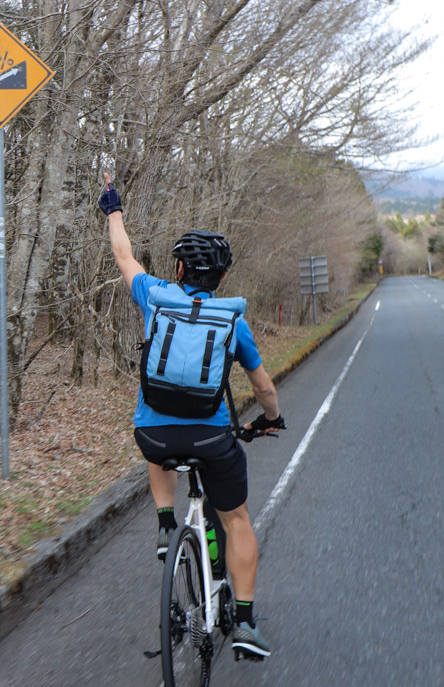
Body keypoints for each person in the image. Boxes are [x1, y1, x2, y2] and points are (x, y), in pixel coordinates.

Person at [98, 173, 281, 659]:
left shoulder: (154, 298)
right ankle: (243, 622)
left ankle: (164, 523)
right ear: (221, 279)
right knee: (237, 519)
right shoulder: (232, 320)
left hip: (153, 438)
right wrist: (270, 419)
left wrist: (113, 207)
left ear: (177, 268)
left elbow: (123, 255)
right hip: (212, 438)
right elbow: (263, 387)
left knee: (157, 429)